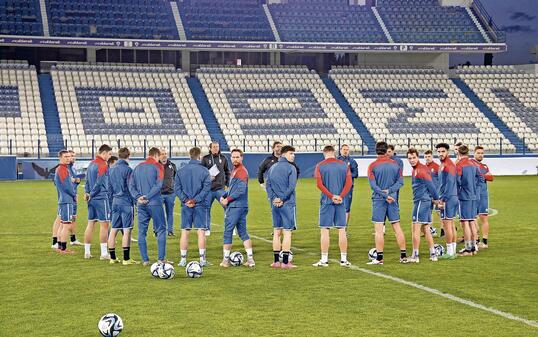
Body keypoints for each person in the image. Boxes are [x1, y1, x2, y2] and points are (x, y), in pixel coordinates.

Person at [366, 142, 407, 265]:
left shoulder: (372, 166)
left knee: (379, 230)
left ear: (376, 151)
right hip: (393, 199)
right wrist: (390, 193)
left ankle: (379, 258)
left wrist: (384, 194)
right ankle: (403, 256)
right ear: (386, 150)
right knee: (397, 227)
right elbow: (400, 182)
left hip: (379, 200)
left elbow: (373, 185)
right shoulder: (395, 165)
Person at [312, 146, 353, 267]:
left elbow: (319, 185)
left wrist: (331, 196)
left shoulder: (320, 165)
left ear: (324, 153)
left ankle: (324, 260)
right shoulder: (344, 165)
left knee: (325, 230)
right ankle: (344, 259)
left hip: (326, 202)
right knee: (342, 230)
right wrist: (340, 196)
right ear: (334, 153)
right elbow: (349, 183)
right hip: (341, 202)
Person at [129, 147, 167, 266]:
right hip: (154, 202)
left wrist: (138, 197)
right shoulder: (158, 166)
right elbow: (158, 185)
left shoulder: (137, 167)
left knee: (142, 232)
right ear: (156, 155)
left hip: (141, 204)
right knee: (161, 230)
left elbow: (131, 185)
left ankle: (145, 260)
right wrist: (148, 196)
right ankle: (161, 259)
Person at [175, 147, 212, 267]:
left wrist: (186, 200)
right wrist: (195, 200)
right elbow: (206, 189)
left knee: (185, 232)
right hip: (200, 205)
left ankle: (183, 260)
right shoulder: (204, 171)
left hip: (186, 205)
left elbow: (177, 188)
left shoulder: (180, 171)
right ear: (199, 156)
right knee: (201, 231)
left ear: (189, 155)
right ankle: (202, 260)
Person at [218, 149, 255, 268]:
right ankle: (250, 259)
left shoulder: (241, 171)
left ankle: (225, 260)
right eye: (233, 157)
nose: (235, 159)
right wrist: (224, 195)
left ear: (242, 158)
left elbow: (240, 190)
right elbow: (232, 189)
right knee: (243, 232)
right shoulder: (236, 170)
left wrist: (227, 200)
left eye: (237, 157)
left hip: (235, 206)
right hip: (242, 205)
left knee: (228, 232)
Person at [406, 149, 441, 263]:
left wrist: (436, 199)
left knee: (415, 229)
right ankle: (433, 254)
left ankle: (415, 256)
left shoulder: (421, 170)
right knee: (426, 228)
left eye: (413, 158)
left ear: (418, 157)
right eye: (409, 158)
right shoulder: (417, 169)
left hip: (421, 201)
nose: (411, 160)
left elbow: (431, 185)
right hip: (424, 201)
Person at [266, 145, 298, 269]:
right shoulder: (291, 168)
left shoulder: (272, 167)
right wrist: (282, 199)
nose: (293, 156)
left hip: (275, 204)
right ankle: (285, 263)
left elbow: (268, 185)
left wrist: (274, 198)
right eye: (291, 153)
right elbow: (291, 187)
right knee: (287, 232)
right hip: (287, 204)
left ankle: (275, 261)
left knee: (276, 232)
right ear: (284, 154)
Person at [108, 147, 138, 265]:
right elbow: (131, 188)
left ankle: (112, 258)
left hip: (115, 201)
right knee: (127, 230)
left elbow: (109, 189)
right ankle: (126, 259)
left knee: (114, 229)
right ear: (128, 156)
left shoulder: (111, 169)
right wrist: (135, 203)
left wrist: (112, 202)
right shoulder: (128, 170)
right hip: (126, 202)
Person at [84, 144, 112, 260]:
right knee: (104, 225)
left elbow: (86, 181)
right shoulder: (103, 164)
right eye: (109, 154)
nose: (110, 156)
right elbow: (99, 182)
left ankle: (87, 252)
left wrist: (87, 193)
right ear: (104, 153)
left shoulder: (91, 164)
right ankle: (104, 253)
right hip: (100, 197)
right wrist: (92, 193)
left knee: (91, 223)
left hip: (91, 199)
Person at [456, 145, 484, 256]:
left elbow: (457, 181)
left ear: (458, 153)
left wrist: (458, 191)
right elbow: (481, 178)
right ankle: (474, 246)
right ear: (468, 153)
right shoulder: (474, 164)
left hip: (464, 197)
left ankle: (468, 249)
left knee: (465, 221)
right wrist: (475, 190)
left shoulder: (459, 165)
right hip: (474, 196)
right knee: (472, 220)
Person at [201, 141, 230, 237]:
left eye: (217, 146)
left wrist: (227, 183)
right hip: (208, 189)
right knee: (206, 209)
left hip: (220, 188)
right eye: (214, 147)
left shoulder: (223, 158)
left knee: (227, 207)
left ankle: (230, 228)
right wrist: (207, 178)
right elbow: (201, 173)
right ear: (210, 148)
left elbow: (227, 171)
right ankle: (206, 228)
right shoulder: (205, 158)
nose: (216, 148)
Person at [436, 143, 459, 260]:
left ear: (447, 152)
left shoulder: (448, 165)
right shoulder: (444, 164)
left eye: (443, 151)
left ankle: (450, 252)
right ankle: (453, 251)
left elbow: (449, 183)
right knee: (451, 224)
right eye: (439, 152)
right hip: (452, 197)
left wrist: (443, 199)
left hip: (448, 198)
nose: (440, 154)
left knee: (447, 226)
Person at [54, 150, 77, 254]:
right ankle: (63, 248)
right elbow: (67, 186)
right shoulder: (63, 169)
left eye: (69, 156)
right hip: (67, 200)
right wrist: (74, 195)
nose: (68, 158)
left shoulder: (60, 169)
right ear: (60, 158)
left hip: (62, 200)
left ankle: (59, 246)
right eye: (65, 157)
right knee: (66, 225)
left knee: (63, 224)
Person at [472, 146, 494, 248]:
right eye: (478, 153)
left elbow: (491, 177)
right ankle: (476, 240)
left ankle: (484, 241)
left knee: (484, 217)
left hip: (483, 195)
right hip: (472, 194)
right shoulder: (470, 164)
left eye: (482, 153)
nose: (480, 155)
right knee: (473, 218)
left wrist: (481, 175)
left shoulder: (484, 166)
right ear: (474, 153)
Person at [337, 144, 358, 226]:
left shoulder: (352, 161)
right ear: (340, 150)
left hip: (348, 187)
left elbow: (355, 174)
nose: (345, 151)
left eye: (347, 149)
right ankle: (339, 226)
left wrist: (347, 175)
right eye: (344, 149)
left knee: (346, 208)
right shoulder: (336, 160)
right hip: (337, 187)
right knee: (336, 207)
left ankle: (344, 228)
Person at [424, 150, 441, 237]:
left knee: (439, 212)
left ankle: (443, 230)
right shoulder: (423, 167)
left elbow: (441, 180)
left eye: (429, 156)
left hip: (437, 194)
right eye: (426, 157)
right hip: (427, 194)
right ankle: (430, 230)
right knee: (428, 212)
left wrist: (438, 193)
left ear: (432, 157)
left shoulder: (437, 167)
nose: (427, 158)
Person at [160, 149, 177, 236]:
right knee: (158, 213)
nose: (164, 155)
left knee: (170, 213)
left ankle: (170, 231)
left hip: (170, 194)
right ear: (159, 156)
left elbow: (175, 178)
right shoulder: (155, 166)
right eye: (162, 154)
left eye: (165, 154)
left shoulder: (172, 165)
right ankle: (157, 230)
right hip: (159, 194)